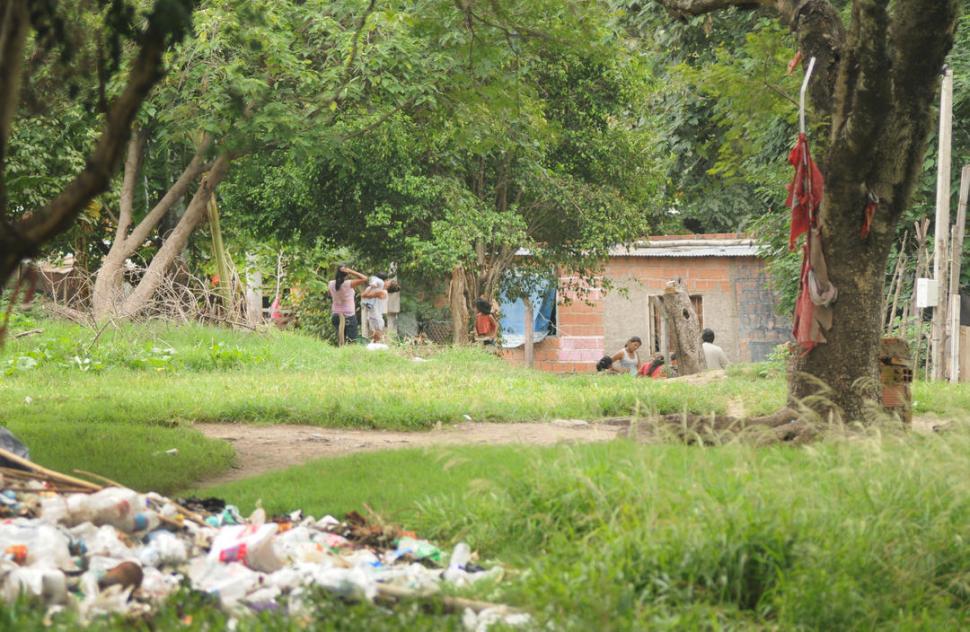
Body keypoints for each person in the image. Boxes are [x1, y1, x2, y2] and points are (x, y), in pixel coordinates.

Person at [328, 265, 368, 345]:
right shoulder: (348, 284)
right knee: (351, 342)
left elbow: (330, 295)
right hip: (349, 316)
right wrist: (351, 271)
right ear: (347, 274)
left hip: (336, 315)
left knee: (341, 341)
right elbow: (365, 278)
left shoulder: (330, 283)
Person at [361, 273, 399, 344]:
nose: (386, 281)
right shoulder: (382, 291)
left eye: (388, 281)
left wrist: (370, 287)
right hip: (374, 317)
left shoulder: (382, 292)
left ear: (388, 285)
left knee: (377, 340)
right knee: (376, 340)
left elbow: (364, 295)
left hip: (376, 318)